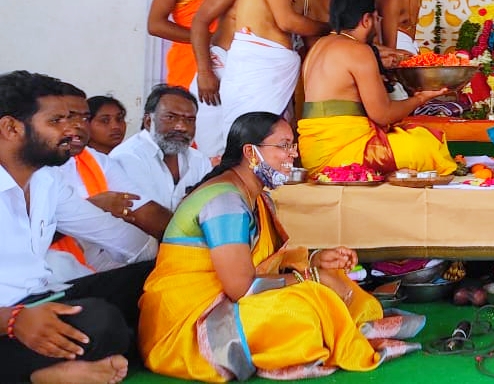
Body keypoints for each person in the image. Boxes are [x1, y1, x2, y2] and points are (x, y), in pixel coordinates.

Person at [139, 112, 425, 381]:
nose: (293, 155)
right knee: (304, 306)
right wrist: (311, 277)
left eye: (293, 146)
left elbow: (266, 261)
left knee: (328, 282)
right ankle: (340, 329)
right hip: (191, 324)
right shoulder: (223, 201)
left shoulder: (257, 197)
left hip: (229, 300)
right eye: (284, 146)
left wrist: (317, 261)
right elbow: (240, 288)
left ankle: (345, 326)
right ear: (251, 152)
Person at [0, 71, 157, 384]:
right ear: (11, 128)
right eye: (56, 121)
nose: (72, 130)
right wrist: (12, 321)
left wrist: (173, 260)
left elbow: (112, 233)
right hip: (9, 318)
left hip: (42, 300)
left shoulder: (46, 180)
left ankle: (50, 368)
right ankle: (39, 375)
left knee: (151, 280)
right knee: (102, 323)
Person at [298, 0, 458, 177]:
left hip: (312, 153)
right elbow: (383, 114)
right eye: (376, 18)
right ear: (366, 20)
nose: (377, 23)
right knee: (426, 144)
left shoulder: (318, 46)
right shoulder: (358, 50)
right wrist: (420, 98)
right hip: (340, 155)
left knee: (412, 134)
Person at [217, 0, 332, 143]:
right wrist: (330, 28)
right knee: (247, 144)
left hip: (279, 79)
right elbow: (286, 21)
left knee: (276, 144)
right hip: (254, 71)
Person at [48, 86, 168, 275]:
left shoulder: (95, 160)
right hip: (45, 277)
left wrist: (188, 241)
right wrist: (93, 206)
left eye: (85, 118)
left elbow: (140, 207)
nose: (79, 125)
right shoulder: (32, 170)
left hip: (96, 266)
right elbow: (23, 238)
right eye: (69, 117)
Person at [189, 0, 282, 159]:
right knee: (214, 155)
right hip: (220, 70)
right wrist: (205, 71)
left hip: (259, 79)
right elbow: (200, 22)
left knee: (254, 151)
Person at [110, 85, 211, 218]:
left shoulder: (199, 160)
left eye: (189, 120)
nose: (181, 127)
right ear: (148, 121)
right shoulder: (127, 157)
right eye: (170, 117)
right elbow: (147, 217)